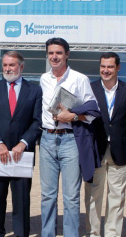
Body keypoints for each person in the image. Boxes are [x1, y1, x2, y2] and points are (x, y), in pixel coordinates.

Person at [39, 37, 98, 237]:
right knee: (48, 196)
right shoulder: (43, 79)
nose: (54, 57)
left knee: (71, 197)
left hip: (70, 140)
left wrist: (72, 116)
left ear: (67, 55)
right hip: (46, 139)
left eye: (58, 53)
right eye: (51, 53)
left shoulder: (79, 79)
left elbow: (92, 111)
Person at [0, 51, 42, 237]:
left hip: (21, 154)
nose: (7, 68)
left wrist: (23, 143)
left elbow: (37, 121)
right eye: (5, 65)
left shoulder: (34, 90)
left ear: (21, 67)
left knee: (22, 199)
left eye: (12, 65)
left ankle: (21, 233)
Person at [84, 52, 126, 237]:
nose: (106, 70)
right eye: (103, 66)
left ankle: (112, 234)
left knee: (117, 197)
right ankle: (93, 233)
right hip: (95, 150)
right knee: (92, 197)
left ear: (118, 68)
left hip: (119, 151)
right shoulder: (90, 88)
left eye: (110, 67)